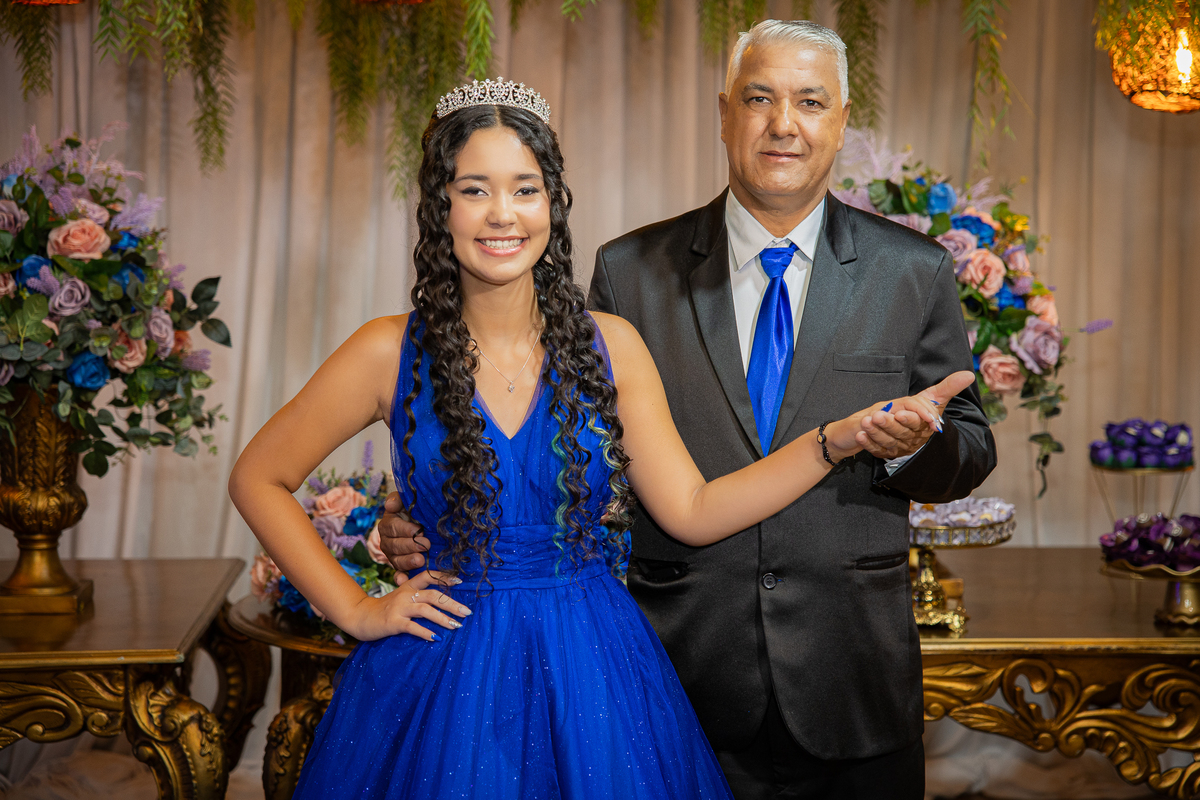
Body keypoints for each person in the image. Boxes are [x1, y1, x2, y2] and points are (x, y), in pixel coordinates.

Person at [229, 76, 974, 799]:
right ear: (440, 206)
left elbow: (693, 509)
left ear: (552, 203)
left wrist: (834, 440)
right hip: (443, 666)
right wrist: (356, 609)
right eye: (475, 189)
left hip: (592, 665)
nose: (502, 215)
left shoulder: (610, 345)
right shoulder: (386, 351)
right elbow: (258, 476)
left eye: (525, 189)